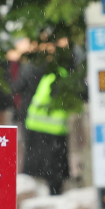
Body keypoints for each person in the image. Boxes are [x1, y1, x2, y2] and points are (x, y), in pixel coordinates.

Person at [20, 66, 70, 194]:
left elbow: (18, 86)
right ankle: (54, 196)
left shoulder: (41, 71)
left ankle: (34, 197)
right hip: (54, 128)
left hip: (36, 125)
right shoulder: (63, 75)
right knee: (54, 172)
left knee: (35, 169)